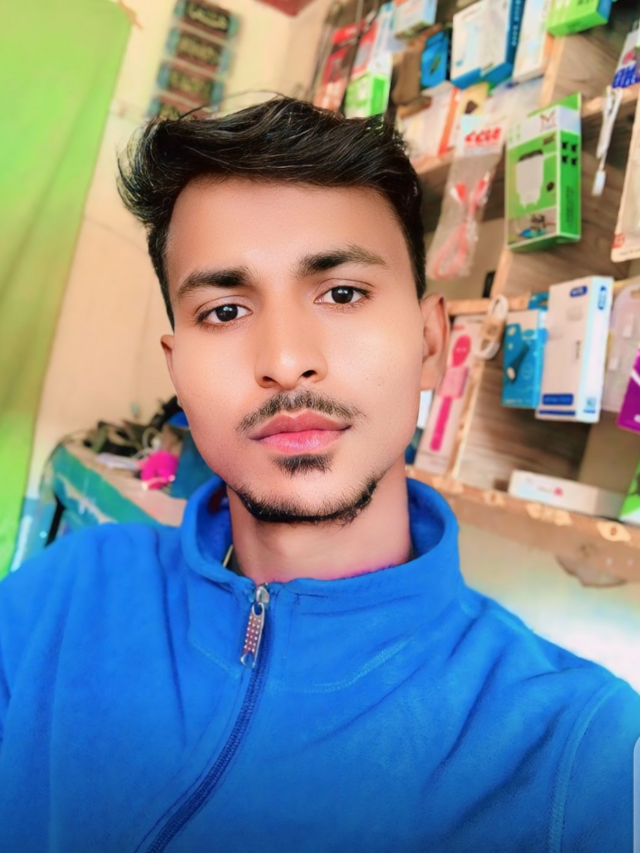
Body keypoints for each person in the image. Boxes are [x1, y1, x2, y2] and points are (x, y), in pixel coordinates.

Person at [0, 97, 638, 853]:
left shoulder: (579, 754)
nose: (285, 360)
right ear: (178, 372)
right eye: (225, 310)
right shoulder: (63, 593)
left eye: (342, 293)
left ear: (431, 343)